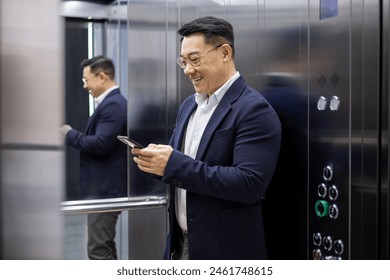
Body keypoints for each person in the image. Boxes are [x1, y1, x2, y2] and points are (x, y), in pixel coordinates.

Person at [131, 16, 281, 260]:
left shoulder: (253, 109)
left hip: (224, 251)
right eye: (183, 62)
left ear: (224, 52)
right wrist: (155, 163)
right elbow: (182, 163)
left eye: (195, 59)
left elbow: (249, 184)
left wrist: (173, 164)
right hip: (180, 244)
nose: (189, 70)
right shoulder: (189, 105)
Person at [61, 55, 127, 260]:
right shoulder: (109, 103)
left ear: (102, 76)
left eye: (86, 80)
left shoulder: (114, 105)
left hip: (105, 191)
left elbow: (100, 144)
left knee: (99, 249)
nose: (84, 86)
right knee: (102, 246)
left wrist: (70, 134)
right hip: (102, 190)